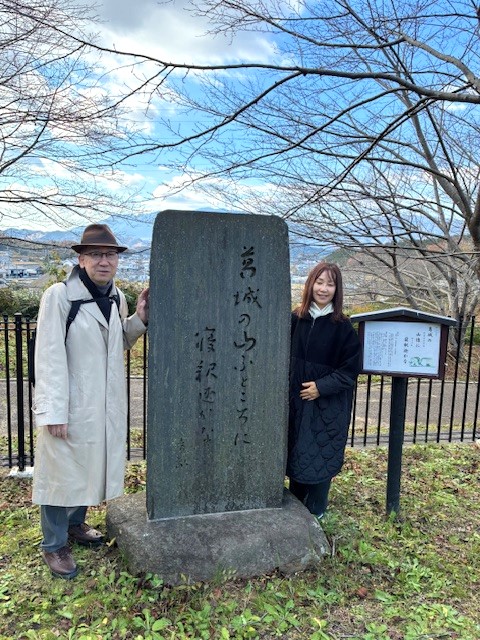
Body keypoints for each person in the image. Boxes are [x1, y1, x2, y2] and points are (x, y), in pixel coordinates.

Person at [31, 223, 149, 579]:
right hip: (70, 402)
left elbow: (117, 342)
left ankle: (75, 525)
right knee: (59, 474)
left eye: (110, 255)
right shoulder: (59, 296)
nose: (104, 261)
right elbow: (48, 355)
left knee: (87, 464)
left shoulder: (116, 297)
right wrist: (53, 410)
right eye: (95, 254)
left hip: (102, 403)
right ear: (81, 259)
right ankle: (54, 544)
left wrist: (139, 319)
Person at [287, 262, 361, 518]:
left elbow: (350, 371)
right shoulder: (296, 319)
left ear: (337, 290)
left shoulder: (343, 327)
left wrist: (321, 387)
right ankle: (295, 513)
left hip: (327, 407)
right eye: (319, 282)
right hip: (295, 402)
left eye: (330, 284)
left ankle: (316, 512)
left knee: (319, 454)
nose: (323, 289)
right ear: (310, 284)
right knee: (296, 452)